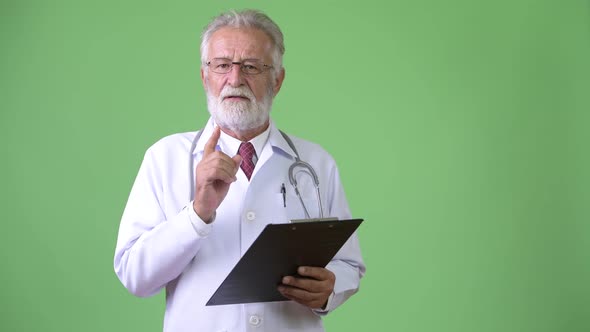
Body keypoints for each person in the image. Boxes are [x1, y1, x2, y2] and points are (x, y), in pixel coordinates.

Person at [114, 9, 365, 332]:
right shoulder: (165, 158)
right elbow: (135, 276)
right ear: (205, 77)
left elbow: (349, 266)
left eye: (251, 67)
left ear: (277, 79)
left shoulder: (315, 162)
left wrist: (329, 288)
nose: (235, 80)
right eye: (222, 66)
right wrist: (197, 213)